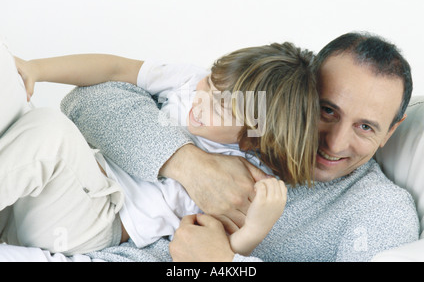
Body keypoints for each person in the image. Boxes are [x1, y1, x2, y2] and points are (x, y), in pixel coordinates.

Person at [9, 42, 319, 256]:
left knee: (49, 133)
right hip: (62, 191)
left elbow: (220, 250)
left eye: (222, 109)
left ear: (255, 135)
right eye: (211, 84)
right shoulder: (190, 80)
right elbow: (115, 69)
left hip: (97, 223)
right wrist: (37, 69)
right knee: (19, 112)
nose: (202, 102)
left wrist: (257, 226)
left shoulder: (244, 175)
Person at [168, 32, 421, 261]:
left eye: (365, 127)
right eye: (327, 110)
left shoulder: (380, 210)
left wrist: (225, 264)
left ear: (390, 131)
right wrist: (186, 163)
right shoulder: (245, 116)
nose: (335, 143)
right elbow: (130, 95)